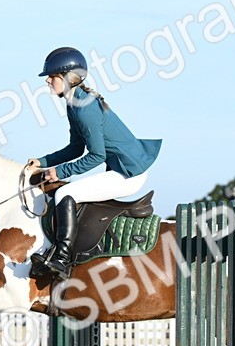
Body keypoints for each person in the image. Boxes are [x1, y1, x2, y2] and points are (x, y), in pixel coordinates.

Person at [26, 47, 162, 279]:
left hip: (129, 174)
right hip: (123, 169)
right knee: (65, 191)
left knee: (64, 194)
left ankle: (61, 258)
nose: (48, 81)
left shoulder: (85, 109)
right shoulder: (74, 104)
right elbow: (76, 148)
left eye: (53, 76)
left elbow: (96, 156)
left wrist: (59, 171)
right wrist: (43, 161)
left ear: (69, 79)